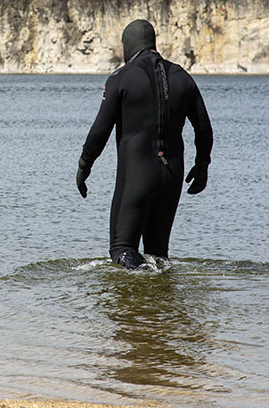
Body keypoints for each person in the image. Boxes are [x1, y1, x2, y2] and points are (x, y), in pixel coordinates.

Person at [76, 20, 213, 270]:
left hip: (138, 176)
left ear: (127, 46)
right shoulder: (183, 77)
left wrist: (84, 165)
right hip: (173, 176)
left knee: (122, 249)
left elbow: (100, 130)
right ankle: (160, 306)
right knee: (158, 254)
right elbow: (204, 129)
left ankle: (140, 289)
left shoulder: (121, 78)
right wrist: (202, 165)